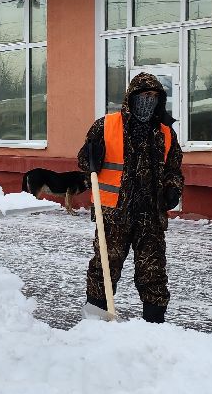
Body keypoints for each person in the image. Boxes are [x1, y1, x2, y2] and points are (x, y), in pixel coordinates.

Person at [77, 72, 184, 324]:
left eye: (154, 97)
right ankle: (94, 324)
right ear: (132, 97)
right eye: (144, 96)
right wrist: (92, 155)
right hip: (114, 214)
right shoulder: (106, 125)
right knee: (104, 268)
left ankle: (154, 329)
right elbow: (84, 161)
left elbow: (174, 169)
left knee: (153, 273)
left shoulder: (165, 132)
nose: (149, 101)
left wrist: (173, 188)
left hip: (151, 216)